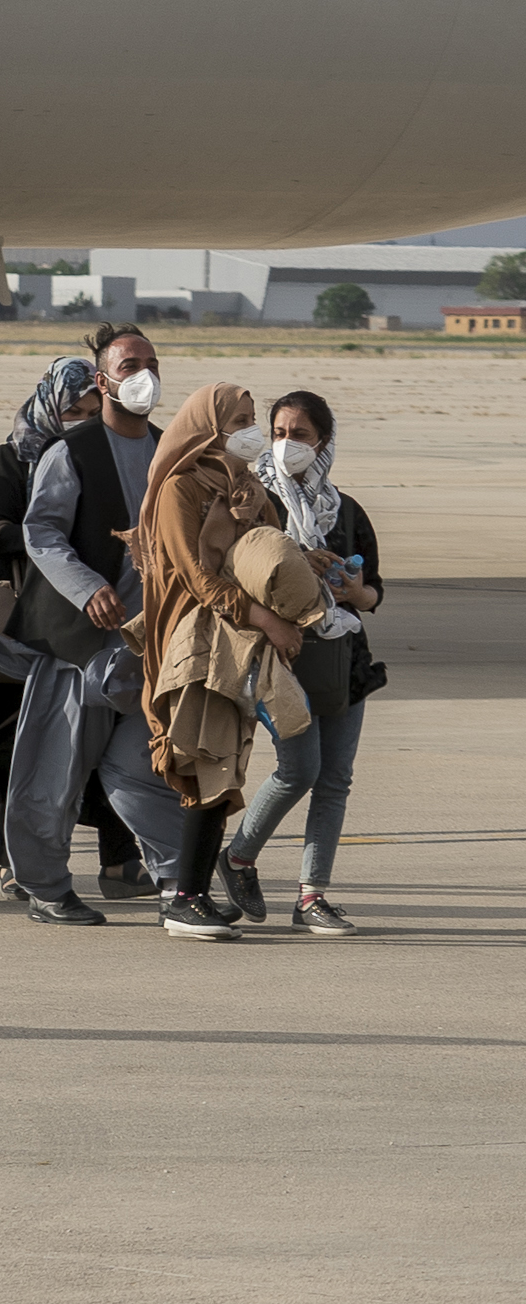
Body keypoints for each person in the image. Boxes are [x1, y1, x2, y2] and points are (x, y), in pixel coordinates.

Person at [3, 325, 188, 926]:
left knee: (145, 768)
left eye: (152, 363)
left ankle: (178, 884)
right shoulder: (72, 451)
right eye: (130, 365)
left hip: (148, 650)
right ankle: (45, 887)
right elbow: (41, 531)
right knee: (53, 772)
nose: (144, 375)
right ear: (102, 380)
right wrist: (87, 589)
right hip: (80, 647)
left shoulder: (169, 453)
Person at [0, 357, 145, 900]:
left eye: (93, 411)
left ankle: (120, 862)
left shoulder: (105, 457)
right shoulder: (13, 458)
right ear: (50, 406)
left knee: (113, 737)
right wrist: (60, 538)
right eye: (74, 411)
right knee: (25, 748)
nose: (84, 421)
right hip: (31, 624)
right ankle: (14, 862)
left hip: (99, 620)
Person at [129, 382, 296, 942]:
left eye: (252, 419)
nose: (251, 430)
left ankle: (193, 893)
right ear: (208, 427)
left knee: (224, 765)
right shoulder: (179, 488)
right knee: (208, 760)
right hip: (193, 641)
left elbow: (266, 552)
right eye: (240, 421)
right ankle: (184, 899)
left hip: (236, 641)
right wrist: (267, 620)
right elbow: (196, 576)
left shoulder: (246, 488)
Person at [218, 390, 383, 934]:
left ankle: (312, 895)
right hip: (278, 659)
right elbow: (232, 577)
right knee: (299, 770)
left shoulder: (347, 511)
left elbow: (374, 593)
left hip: (342, 660)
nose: (287, 444)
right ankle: (237, 857)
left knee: (335, 779)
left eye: (301, 435)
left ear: (324, 441)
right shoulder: (252, 502)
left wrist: (354, 592)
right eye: (280, 433)